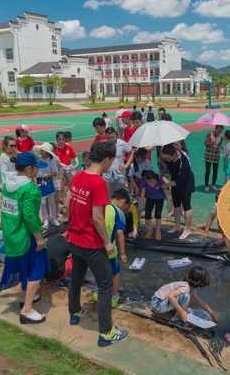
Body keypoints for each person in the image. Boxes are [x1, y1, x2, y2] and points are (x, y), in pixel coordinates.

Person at [66, 141, 129, 347]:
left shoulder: (78, 176)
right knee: (105, 286)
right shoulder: (99, 183)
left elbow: (69, 203)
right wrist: (106, 242)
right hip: (91, 243)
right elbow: (98, 217)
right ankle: (106, 333)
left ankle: (74, 313)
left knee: (76, 278)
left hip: (74, 239)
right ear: (107, 159)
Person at [0, 152, 51, 324]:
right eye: (36, 168)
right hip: (27, 235)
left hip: (12, 234)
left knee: (24, 266)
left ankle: (24, 295)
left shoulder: (7, 184)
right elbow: (29, 216)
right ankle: (27, 310)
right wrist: (39, 237)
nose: (38, 171)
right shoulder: (29, 189)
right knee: (37, 269)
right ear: (29, 168)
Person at [92, 188, 129, 307]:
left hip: (95, 247)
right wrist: (122, 253)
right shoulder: (118, 212)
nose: (124, 209)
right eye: (125, 206)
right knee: (115, 273)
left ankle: (96, 294)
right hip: (110, 249)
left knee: (99, 271)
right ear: (122, 202)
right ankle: (114, 298)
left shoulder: (100, 207)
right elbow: (120, 234)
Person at [151, 266, 218, 326]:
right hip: (157, 305)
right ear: (198, 283)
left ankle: (175, 314)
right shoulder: (185, 287)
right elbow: (171, 296)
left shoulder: (191, 289)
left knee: (186, 306)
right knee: (186, 297)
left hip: (160, 302)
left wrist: (212, 314)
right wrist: (181, 311)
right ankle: (174, 320)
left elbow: (201, 302)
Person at [161, 144, 195, 240]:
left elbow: (181, 180)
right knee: (176, 204)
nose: (166, 160)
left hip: (186, 182)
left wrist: (167, 185)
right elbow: (165, 160)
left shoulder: (182, 161)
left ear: (173, 155)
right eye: (165, 158)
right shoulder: (169, 155)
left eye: (168, 159)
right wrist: (163, 160)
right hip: (175, 180)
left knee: (186, 204)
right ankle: (177, 226)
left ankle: (187, 229)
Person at [33, 143, 59, 229]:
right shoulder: (38, 159)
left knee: (51, 201)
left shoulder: (51, 161)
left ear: (47, 152)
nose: (41, 151)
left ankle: (54, 219)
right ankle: (45, 220)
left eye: (43, 150)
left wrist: (48, 175)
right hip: (40, 180)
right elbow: (34, 169)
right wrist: (34, 176)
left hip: (49, 180)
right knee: (43, 202)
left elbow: (55, 173)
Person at [103, 127, 133, 197]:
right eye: (109, 138)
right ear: (106, 137)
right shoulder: (103, 145)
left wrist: (127, 164)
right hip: (107, 176)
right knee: (108, 197)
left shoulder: (122, 143)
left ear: (116, 135)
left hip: (119, 175)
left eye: (113, 137)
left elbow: (132, 152)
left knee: (120, 196)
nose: (111, 140)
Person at [139, 170, 165, 241]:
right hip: (150, 198)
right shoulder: (145, 182)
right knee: (147, 214)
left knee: (158, 215)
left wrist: (169, 203)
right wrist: (141, 204)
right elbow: (142, 193)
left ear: (154, 178)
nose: (149, 183)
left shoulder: (159, 181)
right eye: (147, 181)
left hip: (159, 199)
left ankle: (158, 230)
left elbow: (166, 191)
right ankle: (149, 229)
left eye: (150, 181)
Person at [204, 125, 224, 192]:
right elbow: (205, 143)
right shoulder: (209, 134)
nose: (219, 132)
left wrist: (221, 147)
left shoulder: (221, 137)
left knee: (215, 171)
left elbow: (218, 145)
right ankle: (206, 186)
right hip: (208, 154)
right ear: (215, 129)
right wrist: (212, 142)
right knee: (208, 171)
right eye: (218, 130)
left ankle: (213, 185)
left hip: (216, 155)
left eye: (221, 131)